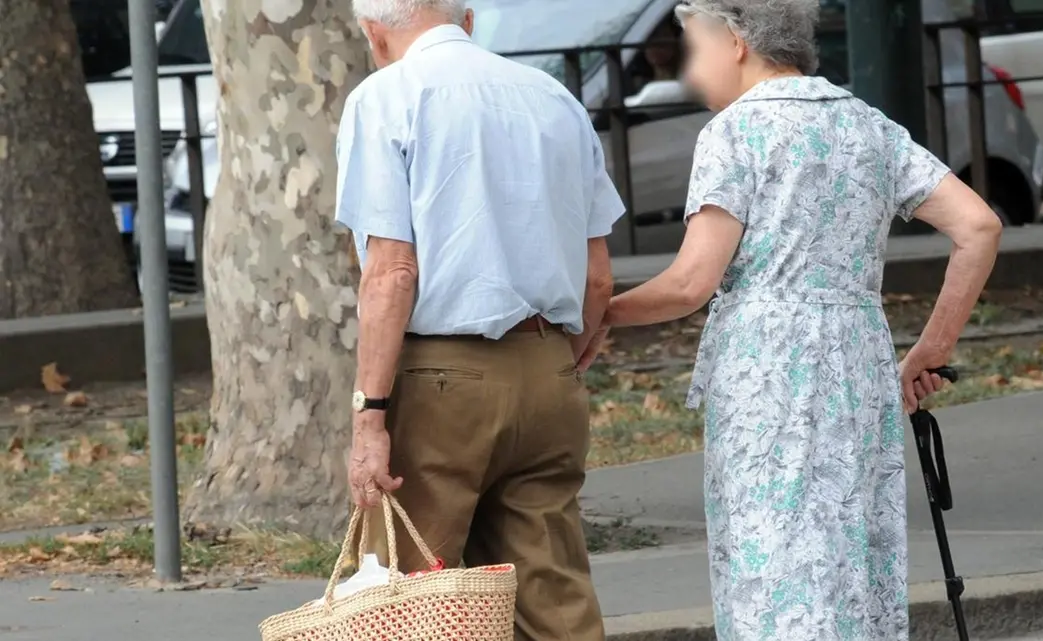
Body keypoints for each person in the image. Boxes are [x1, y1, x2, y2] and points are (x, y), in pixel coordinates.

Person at [578, 0, 1002, 639]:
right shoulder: (866, 124)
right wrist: (930, 349)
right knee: (851, 558)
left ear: (736, 40)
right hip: (858, 358)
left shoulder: (733, 133)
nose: (692, 73)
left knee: (775, 560)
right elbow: (978, 225)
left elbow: (692, 282)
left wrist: (600, 313)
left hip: (770, 369)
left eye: (694, 49)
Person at [335, 1, 625, 639]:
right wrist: (563, 358)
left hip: (440, 377)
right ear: (468, 21)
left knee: (417, 602)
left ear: (373, 33)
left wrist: (370, 416)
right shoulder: (553, 98)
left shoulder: (385, 97)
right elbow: (597, 274)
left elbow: (392, 273)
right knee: (553, 597)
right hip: (547, 367)